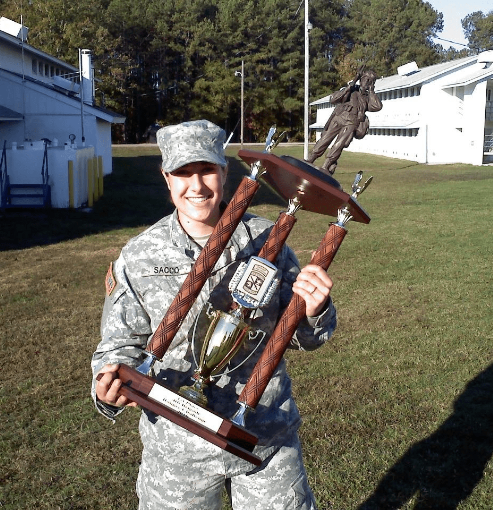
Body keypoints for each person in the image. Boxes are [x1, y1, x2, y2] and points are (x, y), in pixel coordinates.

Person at [91, 119, 337, 509]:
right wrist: (107, 384)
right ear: (166, 177)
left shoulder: (269, 239)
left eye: (206, 170)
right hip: (177, 448)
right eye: (182, 173)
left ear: (224, 172)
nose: (197, 185)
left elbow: (304, 337)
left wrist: (315, 309)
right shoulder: (140, 255)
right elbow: (118, 344)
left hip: (264, 440)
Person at [306, 66, 382, 175]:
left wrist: (371, 91)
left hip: (351, 123)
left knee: (339, 145)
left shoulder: (367, 98)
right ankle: (310, 159)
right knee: (324, 140)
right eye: (366, 79)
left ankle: (326, 166)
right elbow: (333, 99)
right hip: (339, 118)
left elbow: (377, 106)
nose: (368, 83)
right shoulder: (351, 89)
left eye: (371, 81)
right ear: (361, 79)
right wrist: (351, 84)